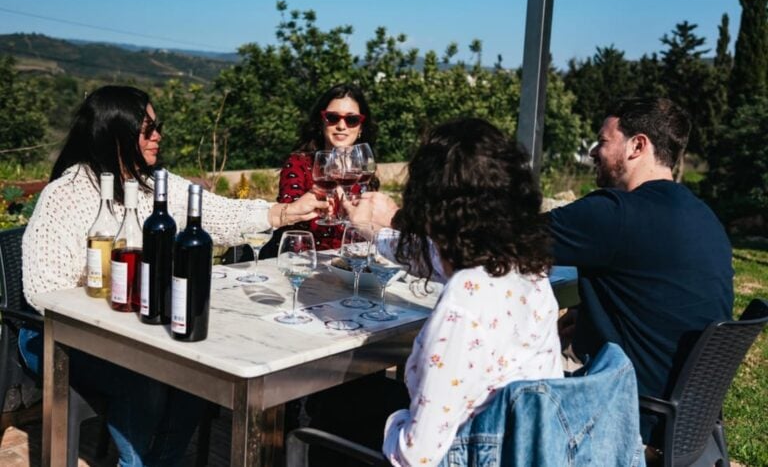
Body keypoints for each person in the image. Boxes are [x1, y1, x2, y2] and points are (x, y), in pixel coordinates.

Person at [19, 85, 325, 467]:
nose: (158, 136)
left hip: (136, 327)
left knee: (197, 376)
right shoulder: (66, 195)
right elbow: (42, 290)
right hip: (60, 336)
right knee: (144, 379)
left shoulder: (153, 184)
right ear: (117, 133)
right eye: (148, 129)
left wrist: (284, 213)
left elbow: (219, 213)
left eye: (156, 126)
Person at [325, 118, 563, 466]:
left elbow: (416, 456)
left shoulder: (465, 301)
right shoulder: (523, 268)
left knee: (333, 412)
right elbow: (428, 258)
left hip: (473, 454)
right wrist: (371, 231)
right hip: (525, 447)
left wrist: (391, 424)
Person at [547, 97, 734, 446]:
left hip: (629, 416)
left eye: (603, 141)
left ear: (637, 145)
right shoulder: (704, 217)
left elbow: (506, 235)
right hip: (687, 420)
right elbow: (655, 294)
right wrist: (588, 317)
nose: (593, 151)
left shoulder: (615, 213)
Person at [274, 83, 379, 251]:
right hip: (308, 261)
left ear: (361, 127)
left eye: (351, 120)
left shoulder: (365, 168)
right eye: (333, 117)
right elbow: (287, 220)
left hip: (352, 262)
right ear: (321, 121)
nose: (341, 126)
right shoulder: (299, 164)